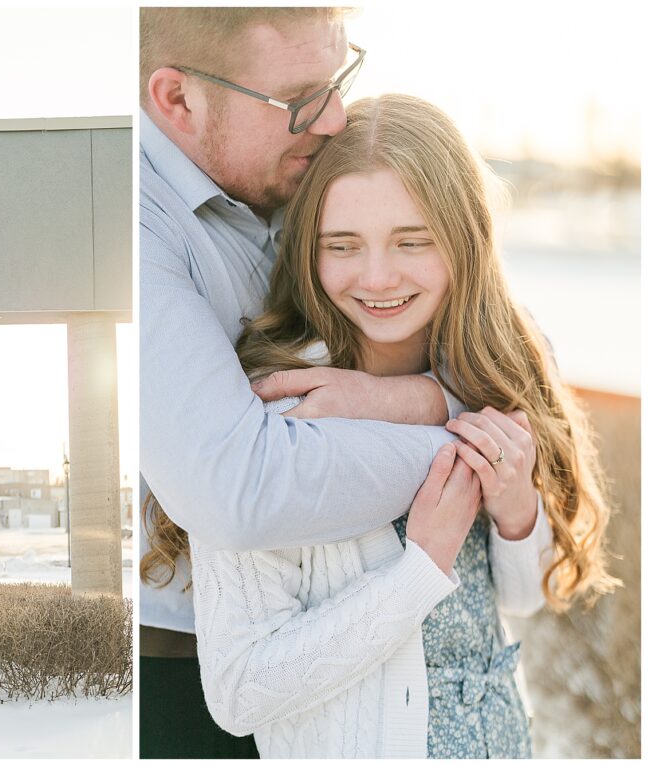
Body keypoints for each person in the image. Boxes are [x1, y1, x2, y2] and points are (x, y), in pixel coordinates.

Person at [157, 93, 617, 757]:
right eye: (342, 245)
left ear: (465, 241)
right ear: (307, 251)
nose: (377, 277)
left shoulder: (493, 377)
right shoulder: (280, 415)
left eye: (413, 241)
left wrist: (517, 512)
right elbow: (239, 692)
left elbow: (522, 600)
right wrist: (417, 571)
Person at [139, 7, 466, 757]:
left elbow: (515, 340)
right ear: (178, 99)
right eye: (301, 97)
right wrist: (474, 451)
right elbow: (241, 492)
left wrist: (413, 398)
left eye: (341, 76)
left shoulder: (298, 166)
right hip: (178, 672)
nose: (336, 116)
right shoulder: (142, 229)